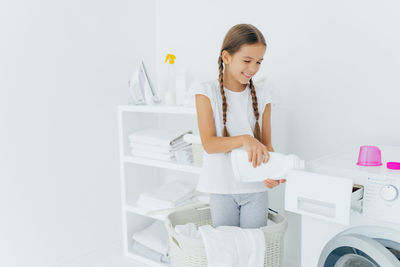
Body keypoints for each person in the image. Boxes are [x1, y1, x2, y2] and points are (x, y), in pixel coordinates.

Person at [191, 24, 286, 228]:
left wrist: (274, 172)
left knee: (253, 250)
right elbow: (209, 144)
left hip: (255, 189)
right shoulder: (205, 92)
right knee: (227, 252)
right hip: (221, 187)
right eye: (247, 60)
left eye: (259, 62)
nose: (253, 68)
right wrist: (245, 139)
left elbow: (267, 146)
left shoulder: (264, 95)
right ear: (226, 57)